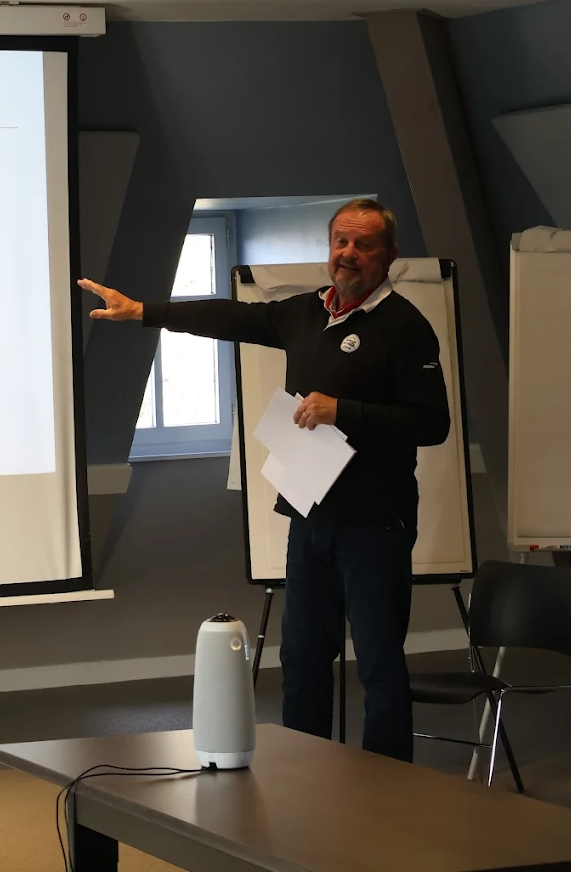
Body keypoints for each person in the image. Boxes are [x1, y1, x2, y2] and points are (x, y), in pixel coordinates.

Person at [79, 198, 448, 762]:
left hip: (376, 523)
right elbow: (230, 318)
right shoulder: (306, 313)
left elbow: (432, 424)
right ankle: (307, 774)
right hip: (310, 513)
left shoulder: (406, 327)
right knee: (302, 657)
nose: (348, 253)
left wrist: (343, 411)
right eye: (340, 242)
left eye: (364, 244)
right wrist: (143, 311)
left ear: (389, 255)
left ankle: (390, 787)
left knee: (378, 664)